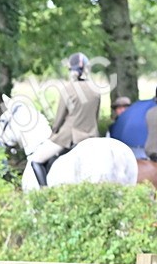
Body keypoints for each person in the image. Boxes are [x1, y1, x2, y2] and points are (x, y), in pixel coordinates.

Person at [27, 53, 102, 186]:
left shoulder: (67, 89)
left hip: (69, 136)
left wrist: (53, 132)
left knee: (36, 160)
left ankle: (45, 192)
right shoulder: (96, 90)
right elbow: (95, 117)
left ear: (71, 70)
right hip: (91, 135)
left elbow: (59, 119)